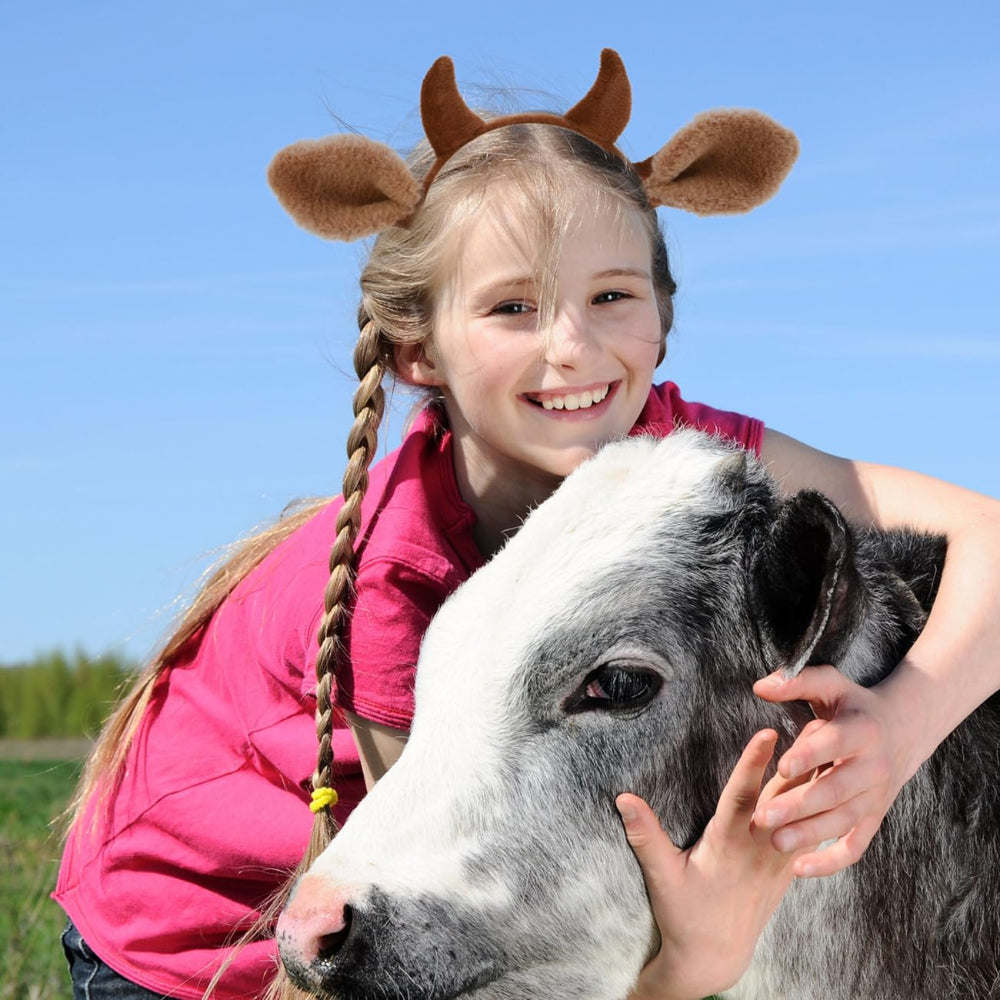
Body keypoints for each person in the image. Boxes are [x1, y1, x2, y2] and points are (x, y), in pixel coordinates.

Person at [55, 50, 1000, 1000]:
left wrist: (904, 718)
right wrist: (696, 963)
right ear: (417, 349)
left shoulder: (674, 457)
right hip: (199, 940)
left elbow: (989, 537)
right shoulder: (401, 566)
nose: (572, 347)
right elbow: (446, 888)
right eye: (514, 306)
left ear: (663, 317)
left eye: (611, 297)